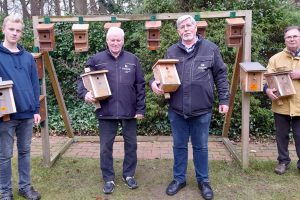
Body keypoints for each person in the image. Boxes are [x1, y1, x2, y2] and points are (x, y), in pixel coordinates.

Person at [151, 15, 229, 200]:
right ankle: (179, 179)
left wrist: (224, 100)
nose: (185, 29)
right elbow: (160, 73)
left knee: (201, 147)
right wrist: (153, 83)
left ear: (195, 28)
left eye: (188, 25)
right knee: (179, 146)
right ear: (178, 31)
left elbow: (221, 75)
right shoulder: (172, 51)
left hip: (202, 109)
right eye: (182, 27)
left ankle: (203, 181)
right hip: (177, 109)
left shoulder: (210, 49)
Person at [77, 27, 146, 194]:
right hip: (106, 111)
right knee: (105, 147)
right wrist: (85, 93)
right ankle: (108, 178)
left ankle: (128, 175)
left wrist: (140, 109)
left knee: (131, 145)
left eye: (118, 40)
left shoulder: (133, 59)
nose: (115, 43)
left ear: (123, 41)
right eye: (112, 40)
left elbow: (140, 86)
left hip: (129, 111)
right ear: (107, 41)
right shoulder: (96, 59)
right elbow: (82, 80)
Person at [0, 15, 41, 200]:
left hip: (26, 114)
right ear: (4, 29)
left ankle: (24, 187)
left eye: (18, 30)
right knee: (5, 155)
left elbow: (34, 84)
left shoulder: (27, 57)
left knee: (25, 152)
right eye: (11, 29)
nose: (14, 33)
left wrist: (36, 110)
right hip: (6, 115)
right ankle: (5, 191)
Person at [265, 25, 300, 175]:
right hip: (281, 105)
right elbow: (267, 79)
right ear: (284, 40)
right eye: (288, 37)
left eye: (295, 36)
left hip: (299, 105)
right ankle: (283, 162)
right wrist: (267, 90)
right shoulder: (275, 58)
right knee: (281, 136)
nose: (292, 39)